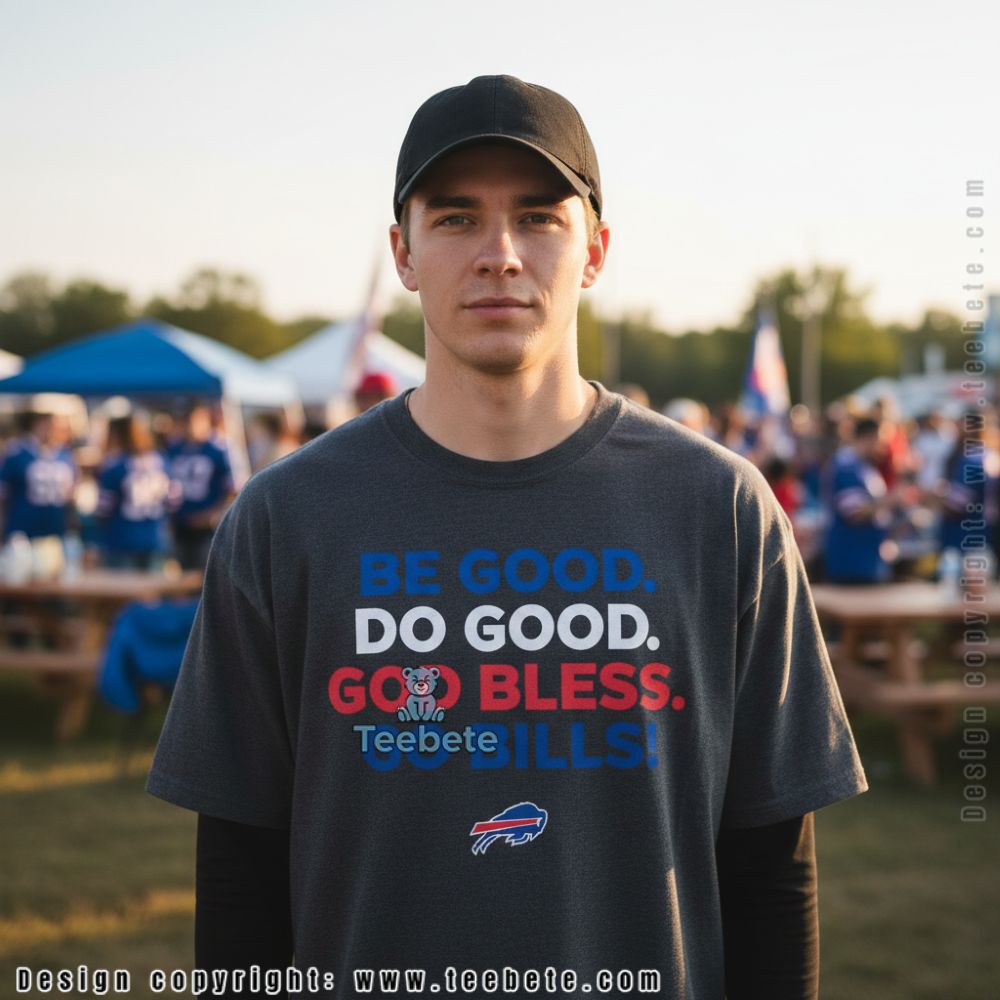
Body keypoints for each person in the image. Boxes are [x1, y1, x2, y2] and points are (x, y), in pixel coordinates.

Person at [148, 75, 867, 998]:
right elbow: (241, 867)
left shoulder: (719, 508)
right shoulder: (287, 517)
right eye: (455, 219)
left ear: (595, 251)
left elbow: (771, 864)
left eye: (538, 217)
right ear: (403, 252)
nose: (499, 254)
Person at [96, 412, 178, 570]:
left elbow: (103, 509)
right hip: (156, 536)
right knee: (154, 591)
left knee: (124, 592)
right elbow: (174, 501)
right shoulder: (162, 461)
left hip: (122, 539)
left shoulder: (114, 465)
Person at [166, 403, 235, 570]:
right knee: (182, 574)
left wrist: (210, 515)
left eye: (196, 421)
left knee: (205, 575)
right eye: (187, 421)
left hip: (207, 526)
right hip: (180, 523)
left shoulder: (219, 449)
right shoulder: (174, 448)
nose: (191, 426)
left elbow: (233, 489)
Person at [0, 411, 77, 540]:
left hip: (56, 535)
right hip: (22, 535)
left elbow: (71, 497)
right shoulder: (16, 452)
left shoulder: (65, 454)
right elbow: (3, 497)